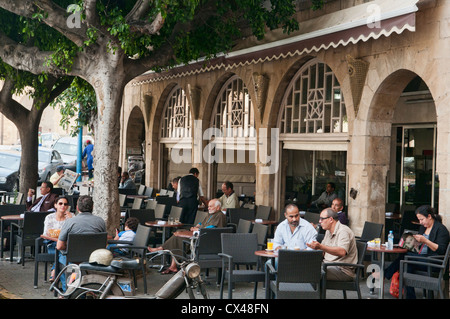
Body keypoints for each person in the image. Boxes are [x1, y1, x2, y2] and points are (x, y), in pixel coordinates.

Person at [384, 205, 449, 298]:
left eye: (422, 219)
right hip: (421, 258)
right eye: (419, 220)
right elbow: (420, 246)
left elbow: (441, 249)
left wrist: (425, 240)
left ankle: (385, 274)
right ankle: (410, 296)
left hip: (434, 261)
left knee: (405, 258)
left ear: (429, 216)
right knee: (407, 265)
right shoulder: (423, 228)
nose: (420, 222)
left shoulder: (441, 229)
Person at [148, 198, 226, 274]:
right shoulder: (211, 214)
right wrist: (197, 226)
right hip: (199, 235)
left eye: (211, 206)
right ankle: (171, 263)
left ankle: (163, 251)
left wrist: (198, 229)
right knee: (178, 233)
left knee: (178, 237)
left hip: (205, 240)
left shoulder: (219, 215)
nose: (208, 208)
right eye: (208, 206)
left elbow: (211, 228)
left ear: (218, 207)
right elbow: (202, 223)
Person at [56, 195, 106, 291]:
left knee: (61, 257)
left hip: (74, 259)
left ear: (77, 208)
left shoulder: (70, 222)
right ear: (92, 207)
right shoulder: (100, 221)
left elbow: (59, 246)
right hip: (94, 259)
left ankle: (67, 289)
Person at [307, 208, 358, 281]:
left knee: (312, 272)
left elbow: (342, 252)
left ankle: (315, 292)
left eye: (322, 219)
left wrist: (321, 246)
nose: (319, 221)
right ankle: (314, 292)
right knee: (305, 267)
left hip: (342, 270)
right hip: (327, 265)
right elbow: (323, 252)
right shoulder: (328, 231)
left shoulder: (343, 231)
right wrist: (312, 249)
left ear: (331, 219)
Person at [42, 196, 73, 281]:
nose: (63, 206)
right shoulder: (50, 217)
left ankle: (54, 272)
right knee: (63, 253)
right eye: (60, 203)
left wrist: (71, 220)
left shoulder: (71, 217)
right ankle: (69, 277)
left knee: (63, 253)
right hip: (52, 244)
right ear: (55, 205)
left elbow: (75, 231)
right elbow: (46, 233)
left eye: (65, 204)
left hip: (68, 245)